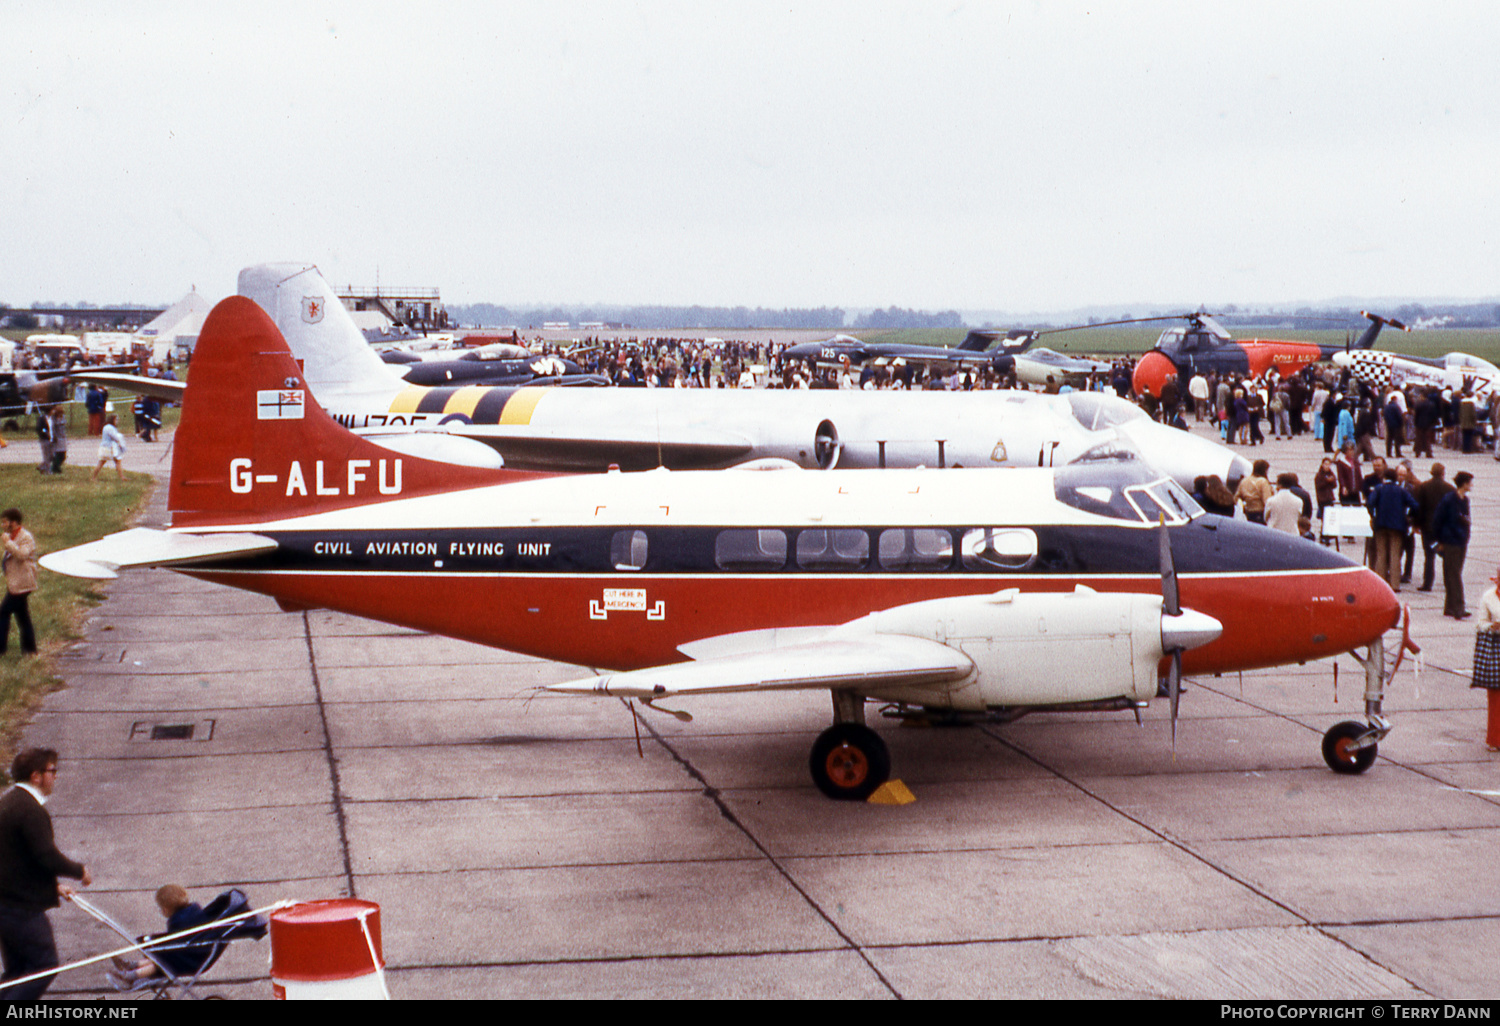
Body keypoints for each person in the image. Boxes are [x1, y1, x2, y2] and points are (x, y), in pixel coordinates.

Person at [0, 748, 91, 999]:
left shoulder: (9, 802)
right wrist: (78, 870)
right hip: (21, 909)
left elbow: (17, 859)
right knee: (44, 966)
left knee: (18, 971)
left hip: (6, 904)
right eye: (52, 771)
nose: (55, 776)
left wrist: (52, 887)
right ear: (36, 776)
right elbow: (46, 856)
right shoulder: (30, 810)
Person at [107, 885, 213, 990]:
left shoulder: (177, 921)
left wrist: (153, 942)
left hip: (191, 961)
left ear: (165, 910)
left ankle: (133, 975)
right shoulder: (194, 910)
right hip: (196, 953)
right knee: (164, 955)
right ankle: (134, 965)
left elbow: (172, 943)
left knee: (163, 960)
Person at [1366, 468, 1419, 592]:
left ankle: (1381, 583)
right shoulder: (1401, 491)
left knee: (1381, 554)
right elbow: (1415, 505)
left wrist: (1373, 515)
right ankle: (1395, 584)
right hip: (1397, 526)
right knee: (1395, 555)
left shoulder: (1379, 489)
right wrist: (1408, 517)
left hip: (1380, 524)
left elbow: (1370, 503)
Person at [1433, 471, 1474, 619]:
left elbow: (1466, 519)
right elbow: (1437, 519)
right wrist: (1439, 540)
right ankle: (1459, 607)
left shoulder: (1465, 500)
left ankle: (1450, 607)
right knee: (1454, 575)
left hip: (1461, 541)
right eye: (1470, 482)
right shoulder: (1449, 499)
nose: (1472, 485)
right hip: (1450, 541)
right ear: (1464, 483)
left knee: (1453, 574)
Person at [1, 509, 37, 656]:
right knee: (22, 616)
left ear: (14, 522)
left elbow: (22, 555)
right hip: (15, 584)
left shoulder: (26, 537)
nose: (2, 525)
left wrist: (8, 543)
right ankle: (29, 649)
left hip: (23, 584)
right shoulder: (12, 536)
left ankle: (1, 647)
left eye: (5, 522)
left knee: (3, 612)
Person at [1416, 463, 1455, 593]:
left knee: (1429, 556)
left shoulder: (1424, 487)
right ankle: (1449, 582)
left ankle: (1427, 583)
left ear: (1431, 472)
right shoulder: (1450, 488)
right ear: (1443, 473)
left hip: (1428, 528)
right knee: (1446, 555)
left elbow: (1419, 508)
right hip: (1444, 529)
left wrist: (1417, 524)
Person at [1473, 570, 1500, 753]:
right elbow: (1480, 622)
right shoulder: (1488, 596)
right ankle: (1495, 739)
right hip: (1496, 646)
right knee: (1495, 695)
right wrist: (1491, 626)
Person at [1235, 459, 1274, 524]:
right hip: (1260, 512)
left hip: (1248, 511)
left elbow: (1236, 497)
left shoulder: (1245, 481)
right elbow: (1267, 501)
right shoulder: (1263, 482)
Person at [93, 414, 128, 481]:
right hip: (108, 448)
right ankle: (93, 477)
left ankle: (122, 477)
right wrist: (120, 442)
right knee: (102, 462)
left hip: (109, 447)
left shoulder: (107, 427)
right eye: (116, 420)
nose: (117, 421)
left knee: (117, 462)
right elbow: (115, 437)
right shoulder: (109, 428)